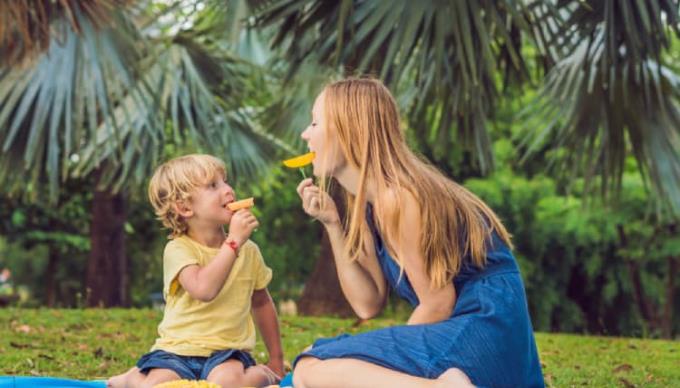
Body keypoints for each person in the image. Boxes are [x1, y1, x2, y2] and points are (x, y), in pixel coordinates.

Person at [293, 78, 544, 388]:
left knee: (310, 369)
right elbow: (367, 304)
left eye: (316, 122)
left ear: (349, 130)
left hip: (483, 329)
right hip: (468, 331)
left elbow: (439, 304)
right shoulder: (368, 204)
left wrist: (391, 363)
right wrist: (332, 224)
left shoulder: (398, 199)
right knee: (313, 359)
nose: (306, 133)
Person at [108, 154, 283, 388]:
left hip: (227, 353)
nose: (229, 190)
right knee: (154, 387)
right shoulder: (178, 249)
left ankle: (264, 374)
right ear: (185, 207)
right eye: (213, 185)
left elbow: (261, 302)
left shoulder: (249, 251)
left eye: (225, 181)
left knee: (230, 384)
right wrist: (233, 243)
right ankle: (131, 378)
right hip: (175, 351)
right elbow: (203, 289)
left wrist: (276, 359)